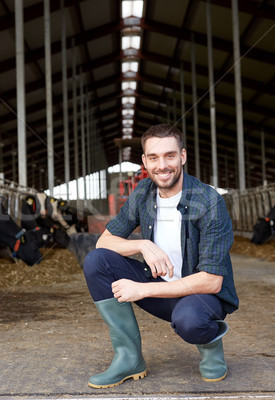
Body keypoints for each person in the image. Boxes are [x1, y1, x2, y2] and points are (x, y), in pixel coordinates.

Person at [83, 123, 239, 389]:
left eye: (169, 155)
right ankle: (129, 359)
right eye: (153, 157)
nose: (162, 165)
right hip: (161, 286)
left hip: (201, 297)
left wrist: (141, 290)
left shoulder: (209, 202)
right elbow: (104, 242)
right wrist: (142, 245)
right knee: (96, 262)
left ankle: (211, 346)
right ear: (144, 161)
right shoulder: (143, 192)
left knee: (190, 321)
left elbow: (212, 281)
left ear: (183, 156)